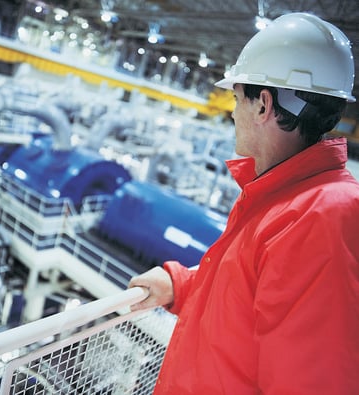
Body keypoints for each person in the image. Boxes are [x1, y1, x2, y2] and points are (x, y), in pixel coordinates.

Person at [128, 12, 359, 395]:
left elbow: (310, 381)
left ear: (263, 104)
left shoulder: (319, 217)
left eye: (236, 98)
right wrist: (180, 285)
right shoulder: (281, 196)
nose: (233, 112)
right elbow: (249, 291)